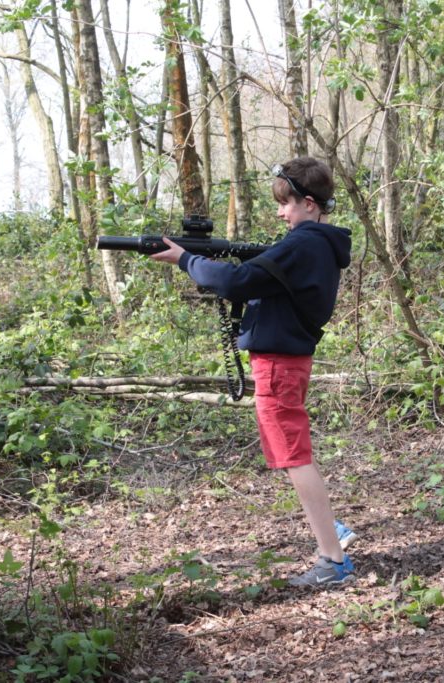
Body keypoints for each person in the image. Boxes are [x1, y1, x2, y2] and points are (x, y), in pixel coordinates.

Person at [150, 157, 357, 587]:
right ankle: (327, 527)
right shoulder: (314, 244)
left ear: (311, 203)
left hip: (281, 362)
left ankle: (332, 560)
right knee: (290, 454)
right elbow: (255, 277)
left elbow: (235, 282)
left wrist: (187, 261)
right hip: (281, 360)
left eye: (287, 204)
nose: (281, 212)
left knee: (295, 456)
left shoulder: (304, 244)